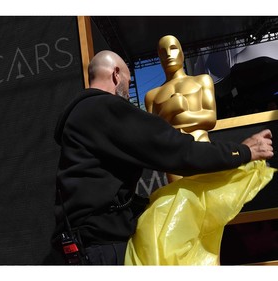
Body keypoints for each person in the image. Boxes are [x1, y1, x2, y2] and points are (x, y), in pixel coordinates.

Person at [49, 50, 274, 265]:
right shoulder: (107, 109)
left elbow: (100, 187)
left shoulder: (79, 118)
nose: (128, 92)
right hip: (103, 252)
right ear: (116, 74)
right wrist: (243, 151)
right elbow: (177, 150)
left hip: (78, 249)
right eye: (128, 82)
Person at [145, 35, 216, 182]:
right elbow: (152, 134)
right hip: (172, 155)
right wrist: (169, 109)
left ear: (182, 53)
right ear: (159, 57)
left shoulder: (201, 80)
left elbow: (210, 118)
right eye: (163, 52)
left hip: (199, 144)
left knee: (205, 195)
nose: (169, 55)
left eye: (173, 48)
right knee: (180, 198)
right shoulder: (152, 96)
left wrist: (181, 116)